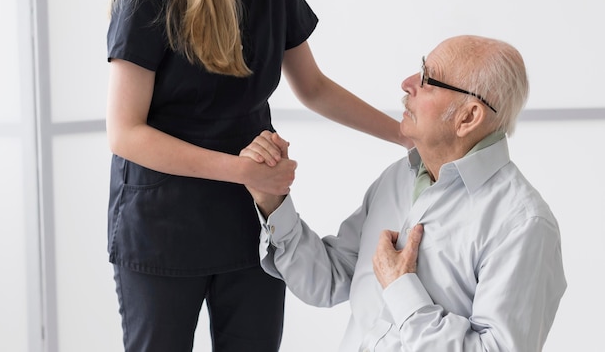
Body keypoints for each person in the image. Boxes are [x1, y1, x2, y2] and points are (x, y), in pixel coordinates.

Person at [105, 0, 412, 351]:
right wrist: (241, 171)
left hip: (253, 223)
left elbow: (312, 87)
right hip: (163, 224)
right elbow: (124, 133)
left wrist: (405, 135)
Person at [242, 35, 567, 352]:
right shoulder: (401, 176)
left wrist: (402, 289)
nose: (407, 83)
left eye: (428, 79)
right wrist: (274, 202)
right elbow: (330, 279)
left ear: (468, 117)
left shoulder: (523, 224)